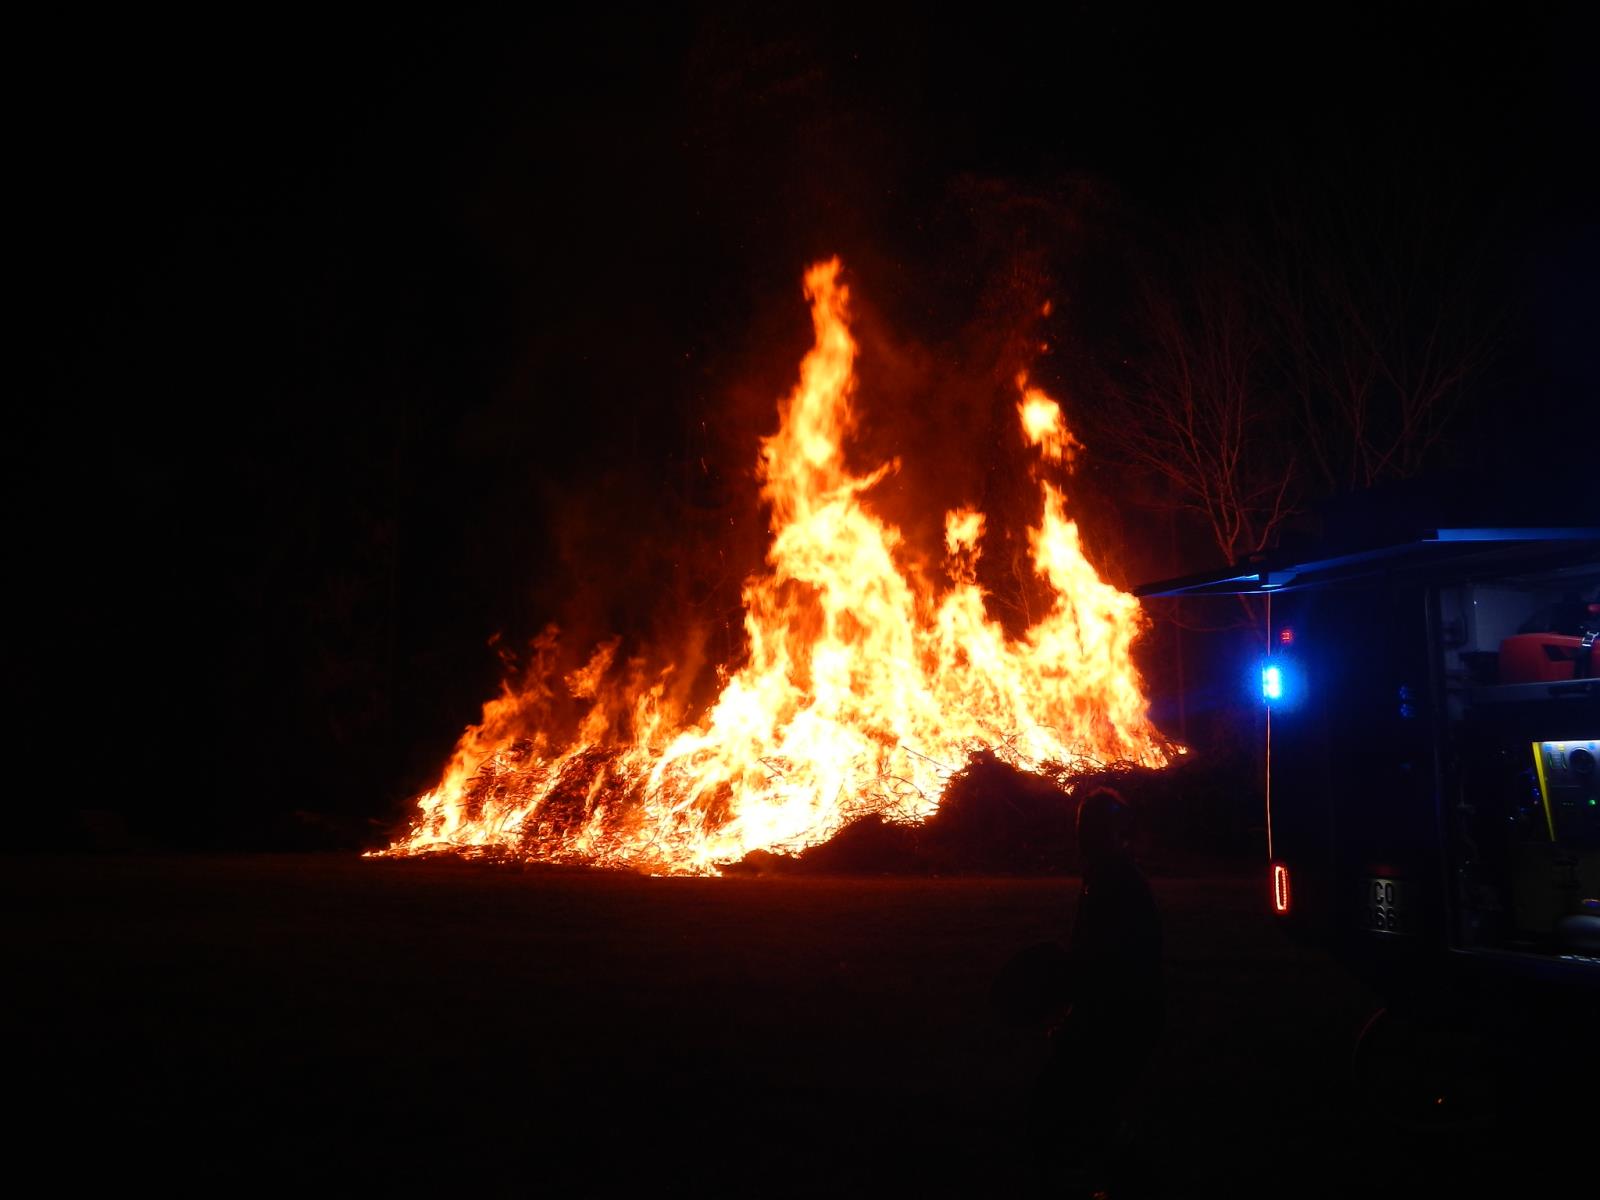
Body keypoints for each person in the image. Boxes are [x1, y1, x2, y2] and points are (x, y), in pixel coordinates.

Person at [1029, 785, 1165, 1196]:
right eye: (1082, 827)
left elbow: (1109, 960)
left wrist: (1080, 1014)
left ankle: (1120, 1179)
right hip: (1118, 1013)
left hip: (1120, 1016)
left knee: (1078, 1104)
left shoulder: (1115, 881)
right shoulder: (1105, 876)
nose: (1082, 836)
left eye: (1091, 828)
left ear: (1108, 832)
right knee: (1092, 1106)